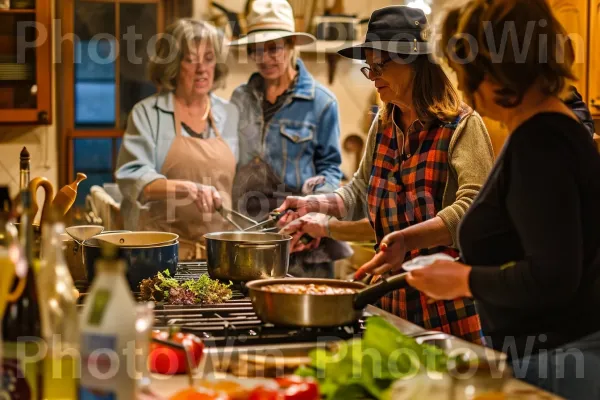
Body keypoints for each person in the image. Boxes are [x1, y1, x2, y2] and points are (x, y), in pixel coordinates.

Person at [278, 6, 494, 343]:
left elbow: (474, 211)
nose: (374, 75)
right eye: (369, 66)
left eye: (382, 65)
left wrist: (407, 239)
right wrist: (315, 205)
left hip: (446, 305)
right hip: (390, 304)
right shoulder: (384, 123)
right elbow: (361, 191)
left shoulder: (463, 127)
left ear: (416, 63)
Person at [402, 0, 600, 363]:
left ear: (494, 70)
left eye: (463, 72)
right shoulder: (551, 130)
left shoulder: (540, 144)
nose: (461, 87)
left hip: (557, 358)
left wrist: (462, 279)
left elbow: (552, 276)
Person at [228, 0, 347, 278]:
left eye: (273, 48)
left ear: (292, 44)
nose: (264, 58)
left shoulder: (321, 103)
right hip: (249, 232)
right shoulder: (239, 98)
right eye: (256, 49)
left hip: (303, 236)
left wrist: (309, 212)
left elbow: (331, 169)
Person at [115, 19, 239, 260]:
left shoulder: (230, 114)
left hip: (219, 256)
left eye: (209, 58)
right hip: (160, 255)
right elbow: (132, 179)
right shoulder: (148, 113)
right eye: (191, 59)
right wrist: (189, 188)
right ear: (173, 65)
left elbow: (241, 183)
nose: (202, 68)